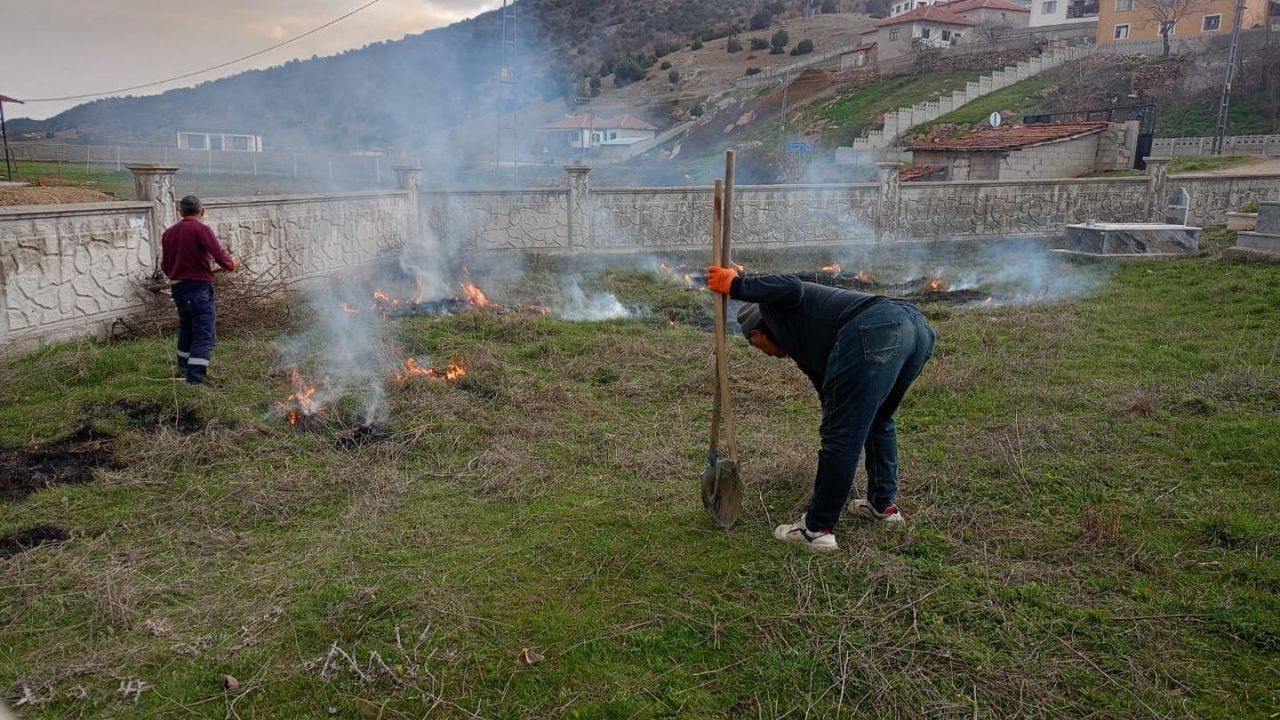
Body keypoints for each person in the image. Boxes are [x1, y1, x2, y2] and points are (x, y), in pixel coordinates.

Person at [707, 266, 936, 551]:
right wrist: (837, 415)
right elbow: (829, 387)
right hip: (915, 329)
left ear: (757, 333)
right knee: (879, 420)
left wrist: (737, 285)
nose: (762, 352)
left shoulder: (774, 310)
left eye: (755, 345)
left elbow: (792, 285)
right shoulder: (806, 338)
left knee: (842, 437)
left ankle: (817, 529)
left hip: (878, 328)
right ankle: (882, 506)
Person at [160, 195, 236, 385]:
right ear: (202, 211)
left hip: (179, 288)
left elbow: (166, 267)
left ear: (181, 212)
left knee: (187, 329)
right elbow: (220, 257)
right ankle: (195, 378)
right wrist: (230, 264)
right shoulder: (202, 230)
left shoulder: (168, 233)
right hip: (199, 290)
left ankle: (184, 368)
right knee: (204, 334)